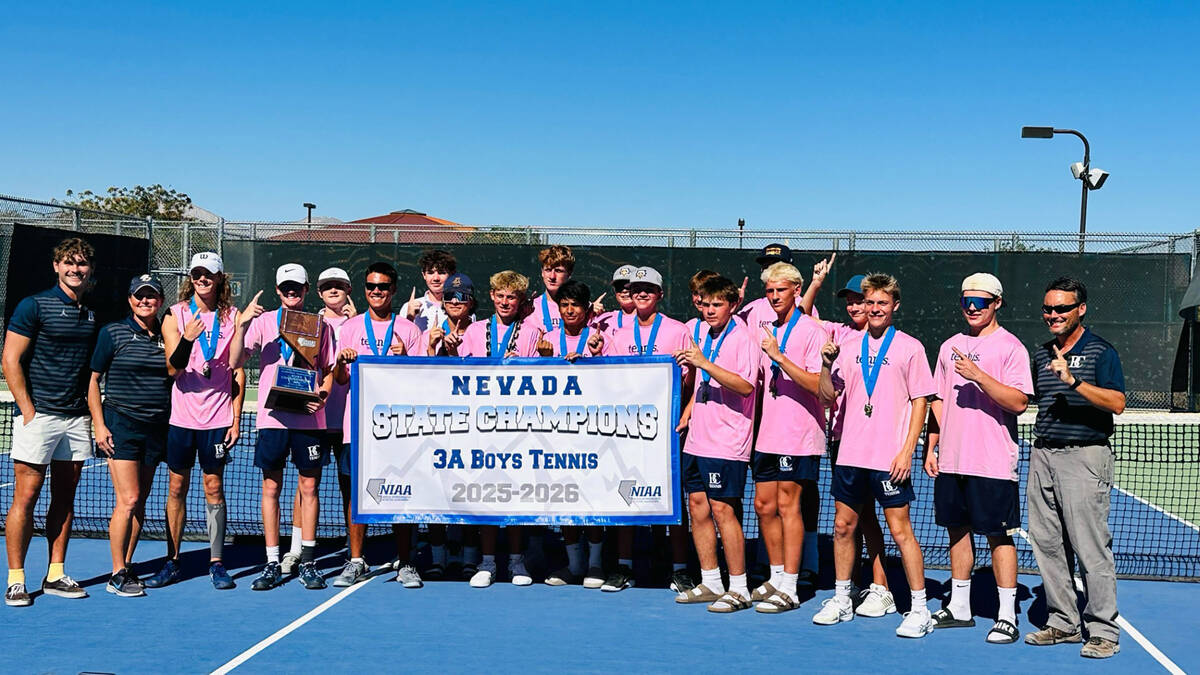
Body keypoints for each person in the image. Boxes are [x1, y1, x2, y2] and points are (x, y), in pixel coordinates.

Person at [813, 273, 935, 638]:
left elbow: (921, 401)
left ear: (895, 305)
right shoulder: (847, 346)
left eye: (882, 303)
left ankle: (920, 609)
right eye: (870, 303)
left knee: (900, 531)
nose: (875, 309)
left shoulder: (910, 348)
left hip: (889, 457)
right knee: (842, 527)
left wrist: (907, 450)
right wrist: (825, 365)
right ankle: (842, 599)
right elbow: (826, 397)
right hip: (851, 455)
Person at [924, 273, 1032, 643]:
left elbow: (1019, 402)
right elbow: (938, 400)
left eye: (980, 302)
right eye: (966, 301)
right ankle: (959, 607)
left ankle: (1006, 616)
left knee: (998, 536)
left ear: (996, 303)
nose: (972, 308)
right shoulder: (949, 346)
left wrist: (978, 376)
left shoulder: (1011, 348)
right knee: (956, 531)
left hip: (992, 462)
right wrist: (932, 445)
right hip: (952, 461)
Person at [1024, 277, 1126, 659]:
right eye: (1048, 309)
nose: (1053, 314)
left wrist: (1073, 381)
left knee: (1090, 547)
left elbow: (1117, 402)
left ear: (1080, 309)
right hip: (1042, 456)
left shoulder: (1101, 351)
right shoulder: (1040, 354)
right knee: (1048, 544)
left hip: (1084, 458)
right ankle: (1063, 623)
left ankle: (1103, 631)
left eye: (1062, 308)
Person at [230, 263, 336, 591]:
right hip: (272, 419)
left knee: (309, 489)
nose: (291, 292)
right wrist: (242, 325)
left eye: (297, 287)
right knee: (271, 489)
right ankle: (272, 562)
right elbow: (235, 361)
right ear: (278, 290)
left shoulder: (321, 325)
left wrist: (322, 396)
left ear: (306, 290)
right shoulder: (262, 322)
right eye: (286, 287)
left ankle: (308, 562)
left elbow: (329, 370)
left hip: (309, 418)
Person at [4, 238, 98, 607]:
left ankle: (56, 574)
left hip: (76, 420)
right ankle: (16, 580)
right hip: (39, 417)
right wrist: (28, 410)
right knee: (26, 496)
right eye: (68, 263)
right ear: (56, 266)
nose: (75, 269)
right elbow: (10, 359)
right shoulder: (34, 305)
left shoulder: (91, 314)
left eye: (82, 264)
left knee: (65, 497)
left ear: (90, 270)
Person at [147, 252, 243, 591]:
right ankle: (173, 560)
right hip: (182, 419)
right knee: (177, 487)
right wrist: (188, 337)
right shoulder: (175, 315)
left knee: (213, 487)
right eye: (197, 273)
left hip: (217, 417)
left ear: (219, 278)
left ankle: (216, 562)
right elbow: (173, 369)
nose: (203, 278)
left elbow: (237, 371)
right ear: (191, 278)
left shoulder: (232, 317)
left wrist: (235, 419)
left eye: (209, 274)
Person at [333, 262, 424, 588]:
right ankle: (356, 560)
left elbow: (422, 382)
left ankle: (406, 562)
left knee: (402, 493)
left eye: (383, 287)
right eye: (371, 286)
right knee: (357, 495)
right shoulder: (350, 328)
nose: (376, 291)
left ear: (393, 290)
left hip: (398, 429)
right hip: (357, 426)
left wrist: (405, 359)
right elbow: (339, 379)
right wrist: (341, 361)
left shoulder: (410, 331)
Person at [603, 266, 693, 592]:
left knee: (674, 501)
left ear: (660, 294)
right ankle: (623, 567)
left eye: (649, 289)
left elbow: (690, 379)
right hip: (629, 431)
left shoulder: (677, 331)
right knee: (626, 494)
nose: (641, 293)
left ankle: (680, 569)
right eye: (636, 288)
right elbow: (608, 379)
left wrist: (685, 415)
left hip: (667, 432)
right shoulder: (619, 334)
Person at [672, 275, 758, 613]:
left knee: (724, 510)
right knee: (697, 506)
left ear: (733, 305)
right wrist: (688, 413)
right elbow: (701, 383)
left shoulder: (743, 339)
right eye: (705, 304)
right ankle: (711, 581)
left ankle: (739, 588)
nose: (709, 310)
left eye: (717, 304)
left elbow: (746, 386)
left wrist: (704, 363)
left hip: (727, 441)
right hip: (698, 439)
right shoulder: (703, 335)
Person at [87, 275, 173, 597]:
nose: (145, 301)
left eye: (151, 296)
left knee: (140, 502)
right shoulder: (113, 333)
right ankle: (117, 573)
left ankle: (126, 564)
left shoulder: (168, 335)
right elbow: (93, 380)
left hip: (157, 428)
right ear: (130, 299)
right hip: (121, 425)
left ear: (160, 301)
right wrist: (99, 425)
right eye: (139, 296)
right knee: (129, 499)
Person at [455, 270, 541, 588]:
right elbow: (459, 374)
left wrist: (527, 366)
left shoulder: (532, 333)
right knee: (486, 495)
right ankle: (488, 562)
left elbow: (544, 378)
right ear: (492, 296)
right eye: (500, 296)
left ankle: (517, 562)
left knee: (517, 496)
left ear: (521, 301)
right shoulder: (475, 330)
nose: (505, 302)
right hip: (481, 427)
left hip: (519, 428)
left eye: (512, 297)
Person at [751, 263, 827, 613]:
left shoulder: (812, 331)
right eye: (769, 291)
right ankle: (777, 576)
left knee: (788, 505)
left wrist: (779, 357)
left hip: (798, 434)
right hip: (768, 434)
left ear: (797, 290)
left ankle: (791, 588)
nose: (774, 296)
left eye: (780, 290)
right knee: (763, 505)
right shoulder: (769, 329)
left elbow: (819, 386)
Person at [282, 267, 357, 575]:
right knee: (306, 486)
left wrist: (355, 320)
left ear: (348, 290)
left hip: (350, 419)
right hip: (315, 418)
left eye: (339, 285)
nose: (333, 290)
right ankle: (295, 549)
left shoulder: (361, 324)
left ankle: (355, 551)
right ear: (319, 292)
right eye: (327, 286)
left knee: (350, 488)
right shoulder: (310, 323)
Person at [825, 273, 893, 615]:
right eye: (850, 302)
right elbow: (802, 315)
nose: (854, 307)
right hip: (843, 441)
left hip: (879, 447)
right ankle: (848, 587)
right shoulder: (840, 337)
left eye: (860, 301)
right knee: (849, 519)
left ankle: (881, 586)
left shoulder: (889, 343)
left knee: (872, 519)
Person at [539, 280, 607, 588]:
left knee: (591, 500)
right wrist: (543, 361)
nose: (569, 310)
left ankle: (595, 565)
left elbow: (616, 380)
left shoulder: (599, 338)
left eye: (575, 305)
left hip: (592, 435)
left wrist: (595, 360)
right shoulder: (547, 340)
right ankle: (575, 565)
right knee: (564, 499)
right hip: (554, 435)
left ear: (587, 309)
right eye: (564, 305)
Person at [420, 272, 477, 579]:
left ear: (471, 302)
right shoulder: (429, 333)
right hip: (438, 426)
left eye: (462, 297)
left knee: (470, 491)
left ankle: (469, 557)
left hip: (475, 427)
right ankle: (438, 557)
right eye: (450, 297)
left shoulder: (482, 331)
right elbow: (421, 381)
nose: (456, 302)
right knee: (436, 490)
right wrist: (432, 350)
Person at [736, 243, 829, 330]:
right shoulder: (753, 308)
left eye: (777, 266)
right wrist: (732, 306)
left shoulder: (803, 304)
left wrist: (815, 284)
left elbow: (808, 331)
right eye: (766, 266)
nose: (772, 270)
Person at [524, 245, 575, 333]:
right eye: (548, 270)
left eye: (558, 271)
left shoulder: (581, 308)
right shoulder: (530, 308)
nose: (552, 277)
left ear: (569, 274)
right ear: (542, 272)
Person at [405, 249, 458, 332]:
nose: (436, 278)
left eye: (441, 272)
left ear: (451, 275)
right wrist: (409, 318)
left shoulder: (461, 307)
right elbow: (401, 338)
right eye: (430, 273)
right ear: (424, 275)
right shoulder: (407, 308)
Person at [593, 265, 636, 336]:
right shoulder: (604, 318)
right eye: (619, 286)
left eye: (629, 286)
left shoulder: (651, 319)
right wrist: (588, 315)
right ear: (615, 290)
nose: (624, 290)